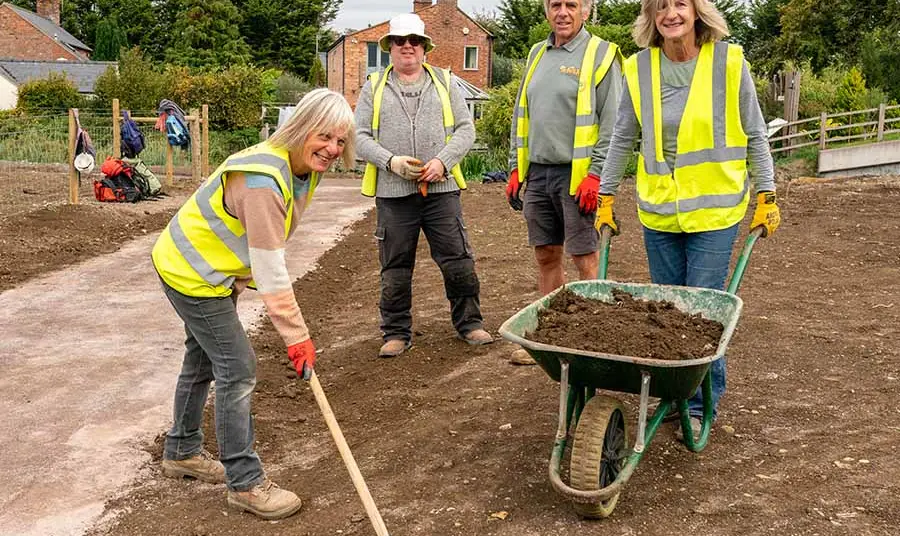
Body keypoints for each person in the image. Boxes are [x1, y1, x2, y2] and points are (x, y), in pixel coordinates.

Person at [151, 89, 356, 520]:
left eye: (340, 141)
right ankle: (243, 483)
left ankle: (182, 451)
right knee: (237, 368)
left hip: (207, 271)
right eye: (324, 137)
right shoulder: (264, 181)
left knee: (203, 360)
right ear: (301, 128)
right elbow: (270, 268)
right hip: (192, 275)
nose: (333, 149)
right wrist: (296, 336)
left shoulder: (301, 165)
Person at [594, 0, 781, 439]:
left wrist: (766, 193)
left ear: (697, 12)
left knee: (702, 307)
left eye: (680, 3)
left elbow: (754, 132)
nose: (670, 13)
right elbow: (623, 136)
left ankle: (699, 403)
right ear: (651, 16)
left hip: (715, 210)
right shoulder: (638, 68)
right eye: (661, 6)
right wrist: (605, 196)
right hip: (660, 210)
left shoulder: (729, 62)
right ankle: (675, 393)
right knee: (669, 309)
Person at [355, 13, 493, 358]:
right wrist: (391, 162)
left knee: (458, 260)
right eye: (400, 41)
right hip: (393, 194)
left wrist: (442, 161)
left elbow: (466, 130)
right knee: (396, 267)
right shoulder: (373, 87)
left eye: (413, 41)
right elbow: (358, 138)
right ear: (389, 47)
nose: (407, 47)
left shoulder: (446, 83)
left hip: (441, 191)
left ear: (424, 47)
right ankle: (396, 332)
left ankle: (469, 324)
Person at [505, 0, 623, 365]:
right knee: (546, 254)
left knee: (585, 258)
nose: (563, 12)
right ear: (546, 11)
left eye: (572, 4)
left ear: (586, 11)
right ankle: (549, 341)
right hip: (539, 173)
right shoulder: (536, 54)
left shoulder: (601, 55)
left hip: (578, 177)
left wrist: (596, 174)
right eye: (555, 4)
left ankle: (592, 340)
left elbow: (613, 124)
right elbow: (521, 114)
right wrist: (515, 167)